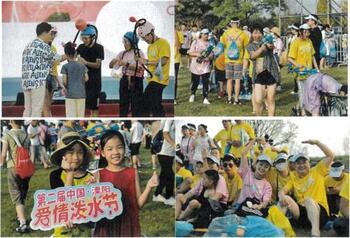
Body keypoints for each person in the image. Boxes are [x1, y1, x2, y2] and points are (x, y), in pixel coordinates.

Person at [93, 130, 159, 237]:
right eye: (110, 149)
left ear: (125, 148)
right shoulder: (97, 175)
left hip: (128, 226)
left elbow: (139, 204)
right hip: (106, 226)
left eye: (119, 147)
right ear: (103, 153)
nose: (115, 152)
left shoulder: (132, 172)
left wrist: (148, 187)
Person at [278, 140, 335, 237]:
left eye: (304, 162)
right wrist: (281, 196)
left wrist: (317, 142)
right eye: (298, 163)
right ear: (294, 166)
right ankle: (276, 228)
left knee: (308, 200)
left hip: (320, 213)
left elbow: (331, 155)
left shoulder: (317, 170)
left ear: (309, 163)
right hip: (302, 216)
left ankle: (315, 233)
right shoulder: (293, 179)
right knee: (285, 199)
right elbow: (282, 191)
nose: (301, 165)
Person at [49, 132, 95, 237]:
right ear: (63, 155)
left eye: (80, 152)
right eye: (70, 152)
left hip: (85, 231)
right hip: (63, 231)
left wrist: (93, 188)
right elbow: (63, 201)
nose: (76, 157)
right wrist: (70, 172)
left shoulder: (91, 177)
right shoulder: (55, 175)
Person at [22, 22, 64, 117]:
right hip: (38, 82)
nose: (51, 36)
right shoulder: (43, 46)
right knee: (37, 109)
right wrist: (69, 51)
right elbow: (58, 58)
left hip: (26, 82)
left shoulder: (28, 46)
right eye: (50, 33)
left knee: (27, 109)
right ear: (44, 33)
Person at [1, 120, 31, 233]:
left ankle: (23, 222)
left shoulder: (7, 135)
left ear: (12, 121)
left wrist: (1, 163)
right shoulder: (26, 134)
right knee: (22, 191)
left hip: (13, 166)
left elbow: (4, 153)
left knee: (15, 193)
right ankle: (20, 216)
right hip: (26, 167)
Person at [136, 20, 171, 117]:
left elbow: (163, 61)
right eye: (143, 38)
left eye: (146, 37)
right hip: (152, 79)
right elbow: (152, 63)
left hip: (159, 79)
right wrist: (142, 60)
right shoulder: (150, 47)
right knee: (154, 105)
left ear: (151, 32)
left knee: (147, 103)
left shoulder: (163, 43)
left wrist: (146, 62)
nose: (145, 40)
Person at [245, 24, 279, 116]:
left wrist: (269, 44)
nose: (257, 35)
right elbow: (253, 56)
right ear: (251, 34)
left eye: (259, 33)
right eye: (255, 33)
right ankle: (258, 116)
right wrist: (261, 48)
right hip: (259, 74)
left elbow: (271, 46)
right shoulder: (250, 46)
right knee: (258, 99)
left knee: (271, 99)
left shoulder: (266, 42)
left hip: (271, 72)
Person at [109, 32, 145, 117]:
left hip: (136, 80)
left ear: (132, 42)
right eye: (123, 41)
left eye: (126, 42)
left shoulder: (139, 53)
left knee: (136, 104)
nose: (124, 44)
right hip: (125, 79)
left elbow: (140, 69)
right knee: (123, 103)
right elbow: (112, 66)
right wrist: (112, 62)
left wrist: (127, 64)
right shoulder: (122, 53)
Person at [288, 23, 320, 116]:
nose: (308, 33)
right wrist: (298, 66)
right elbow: (290, 58)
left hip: (310, 71)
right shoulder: (296, 42)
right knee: (302, 93)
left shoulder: (309, 41)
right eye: (307, 31)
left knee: (310, 92)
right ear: (302, 32)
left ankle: (296, 108)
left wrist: (317, 68)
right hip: (300, 73)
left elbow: (312, 55)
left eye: (309, 31)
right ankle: (303, 113)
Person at [236, 139, 272, 216]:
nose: (262, 168)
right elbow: (243, 153)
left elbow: (265, 201)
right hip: (240, 207)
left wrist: (260, 206)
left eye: (266, 166)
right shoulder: (247, 173)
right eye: (261, 164)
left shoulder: (267, 185)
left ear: (268, 170)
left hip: (255, 209)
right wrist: (254, 140)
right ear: (256, 164)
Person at [77, 25, 104, 117]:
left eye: (86, 38)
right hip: (82, 81)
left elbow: (97, 65)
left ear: (93, 37)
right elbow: (71, 57)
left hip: (95, 83)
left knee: (94, 107)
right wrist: (68, 48)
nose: (84, 40)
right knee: (82, 106)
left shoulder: (99, 48)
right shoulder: (81, 47)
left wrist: (85, 62)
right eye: (82, 38)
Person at [220, 17, 249, 104]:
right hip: (238, 60)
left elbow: (222, 46)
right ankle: (236, 99)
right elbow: (246, 49)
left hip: (227, 59)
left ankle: (229, 98)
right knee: (237, 80)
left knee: (229, 79)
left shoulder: (226, 33)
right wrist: (246, 60)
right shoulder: (243, 34)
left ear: (231, 23)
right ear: (239, 24)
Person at [61, 42, 89, 117]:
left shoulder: (65, 66)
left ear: (66, 55)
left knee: (70, 115)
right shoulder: (82, 66)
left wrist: (66, 87)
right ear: (76, 53)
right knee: (80, 115)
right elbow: (86, 78)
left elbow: (64, 81)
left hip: (70, 94)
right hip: (81, 94)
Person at [188, 28, 214, 104]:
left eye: (207, 34)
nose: (206, 35)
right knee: (195, 81)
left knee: (205, 81)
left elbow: (212, 55)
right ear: (201, 34)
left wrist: (209, 57)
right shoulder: (195, 42)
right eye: (205, 34)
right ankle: (192, 94)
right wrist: (197, 54)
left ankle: (205, 98)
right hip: (196, 65)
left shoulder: (210, 44)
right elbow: (190, 53)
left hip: (205, 66)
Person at [152, 120, 175, 206]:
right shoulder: (169, 120)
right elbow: (165, 134)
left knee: (164, 176)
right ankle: (168, 197)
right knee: (170, 175)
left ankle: (157, 194)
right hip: (164, 152)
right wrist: (174, 144)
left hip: (169, 153)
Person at [43, 27, 61, 117]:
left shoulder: (53, 48)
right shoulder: (41, 46)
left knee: (49, 105)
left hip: (53, 77)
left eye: (54, 34)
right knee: (45, 105)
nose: (53, 36)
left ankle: (48, 116)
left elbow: (56, 64)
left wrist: (58, 81)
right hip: (44, 77)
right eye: (51, 33)